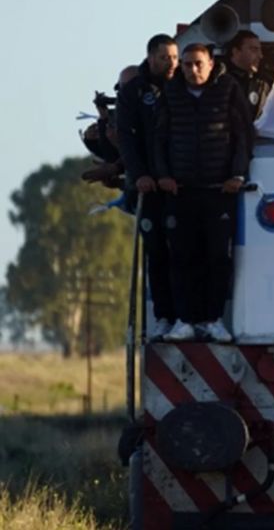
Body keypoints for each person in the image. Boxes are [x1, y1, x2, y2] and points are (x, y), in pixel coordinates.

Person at [154, 43, 251, 343]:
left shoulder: (228, 89)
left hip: (218, 190)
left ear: (211, 64)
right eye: (186, 65)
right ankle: (184, 320)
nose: (192, 70)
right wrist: (163, 175)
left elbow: (243, 134)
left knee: (217, 258)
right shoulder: (170, 94)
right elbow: (158, 138)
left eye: (198, 63)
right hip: (180, 192)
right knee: (182, 258)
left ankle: (213, 319)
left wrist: (237, 174)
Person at [116, 36, 179, 337]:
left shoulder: (183, 86)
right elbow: (127, 139)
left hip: (180, 185)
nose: (171, 64)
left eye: (174, 58)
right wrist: (139, 174)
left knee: (186, 252)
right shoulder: (134, 92)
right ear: (151, 58)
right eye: (165, 57)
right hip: (148, 187)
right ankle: (164, 316)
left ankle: (190, 317)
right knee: (157, 253)